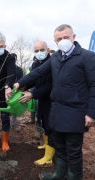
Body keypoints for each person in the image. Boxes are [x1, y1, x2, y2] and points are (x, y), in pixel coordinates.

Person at [14, 24, 95, 180]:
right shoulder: (56, 57)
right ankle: (59, 174)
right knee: (60, 147)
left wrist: (91, 113)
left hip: (75, 112)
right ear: (55, 41)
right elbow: (38, 72)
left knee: (73, 151)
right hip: (56, 110)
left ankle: (73, 177)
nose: (63, 41)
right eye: (59, 39)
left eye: (66, 37)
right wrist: (19, 83)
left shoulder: (87, 57)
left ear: (74, 37)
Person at [19, 40, 54, 167]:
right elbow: (34, 80)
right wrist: (24, 87)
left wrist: (33, 94)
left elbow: (50, 85)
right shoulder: (35, 64)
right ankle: (45, 144)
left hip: (51, 99)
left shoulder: (53, 63)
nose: (39, 53)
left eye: (41, 50)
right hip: (41, 98)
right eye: (36, 50)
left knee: (50, 126)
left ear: (48, 49)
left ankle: (49, 157)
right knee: (43, 122)